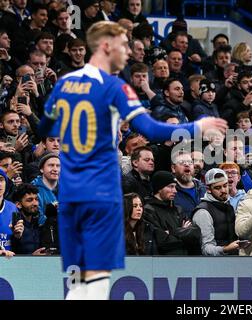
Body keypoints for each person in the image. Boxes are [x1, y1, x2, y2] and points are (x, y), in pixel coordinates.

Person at [38, 21, 227, 300]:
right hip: (100, 192)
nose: (127, 52)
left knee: (79, 280)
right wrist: (198, 127)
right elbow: (152, 130)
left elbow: (45, 128)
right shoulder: (114, 87)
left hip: (71, 192)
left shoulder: (66, 82)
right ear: (105, 46)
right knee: (97, 282)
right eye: (122, 45)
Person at [192, 168, 239, 256]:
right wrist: (226, 249)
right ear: (208, 189)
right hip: (214, 265)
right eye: (218, 188)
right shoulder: (203, 212)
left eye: (225, 185)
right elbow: (206, 249)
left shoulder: (229, 206)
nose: (223, 190)